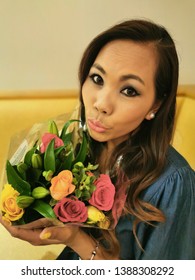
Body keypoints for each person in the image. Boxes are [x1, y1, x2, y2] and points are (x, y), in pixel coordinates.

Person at [0, 19, 195, 260]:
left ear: (156, 104)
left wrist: (75, 238)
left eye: (129, 90)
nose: (101, 104)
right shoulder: (75, 147)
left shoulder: (172, 183)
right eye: (97, 79)